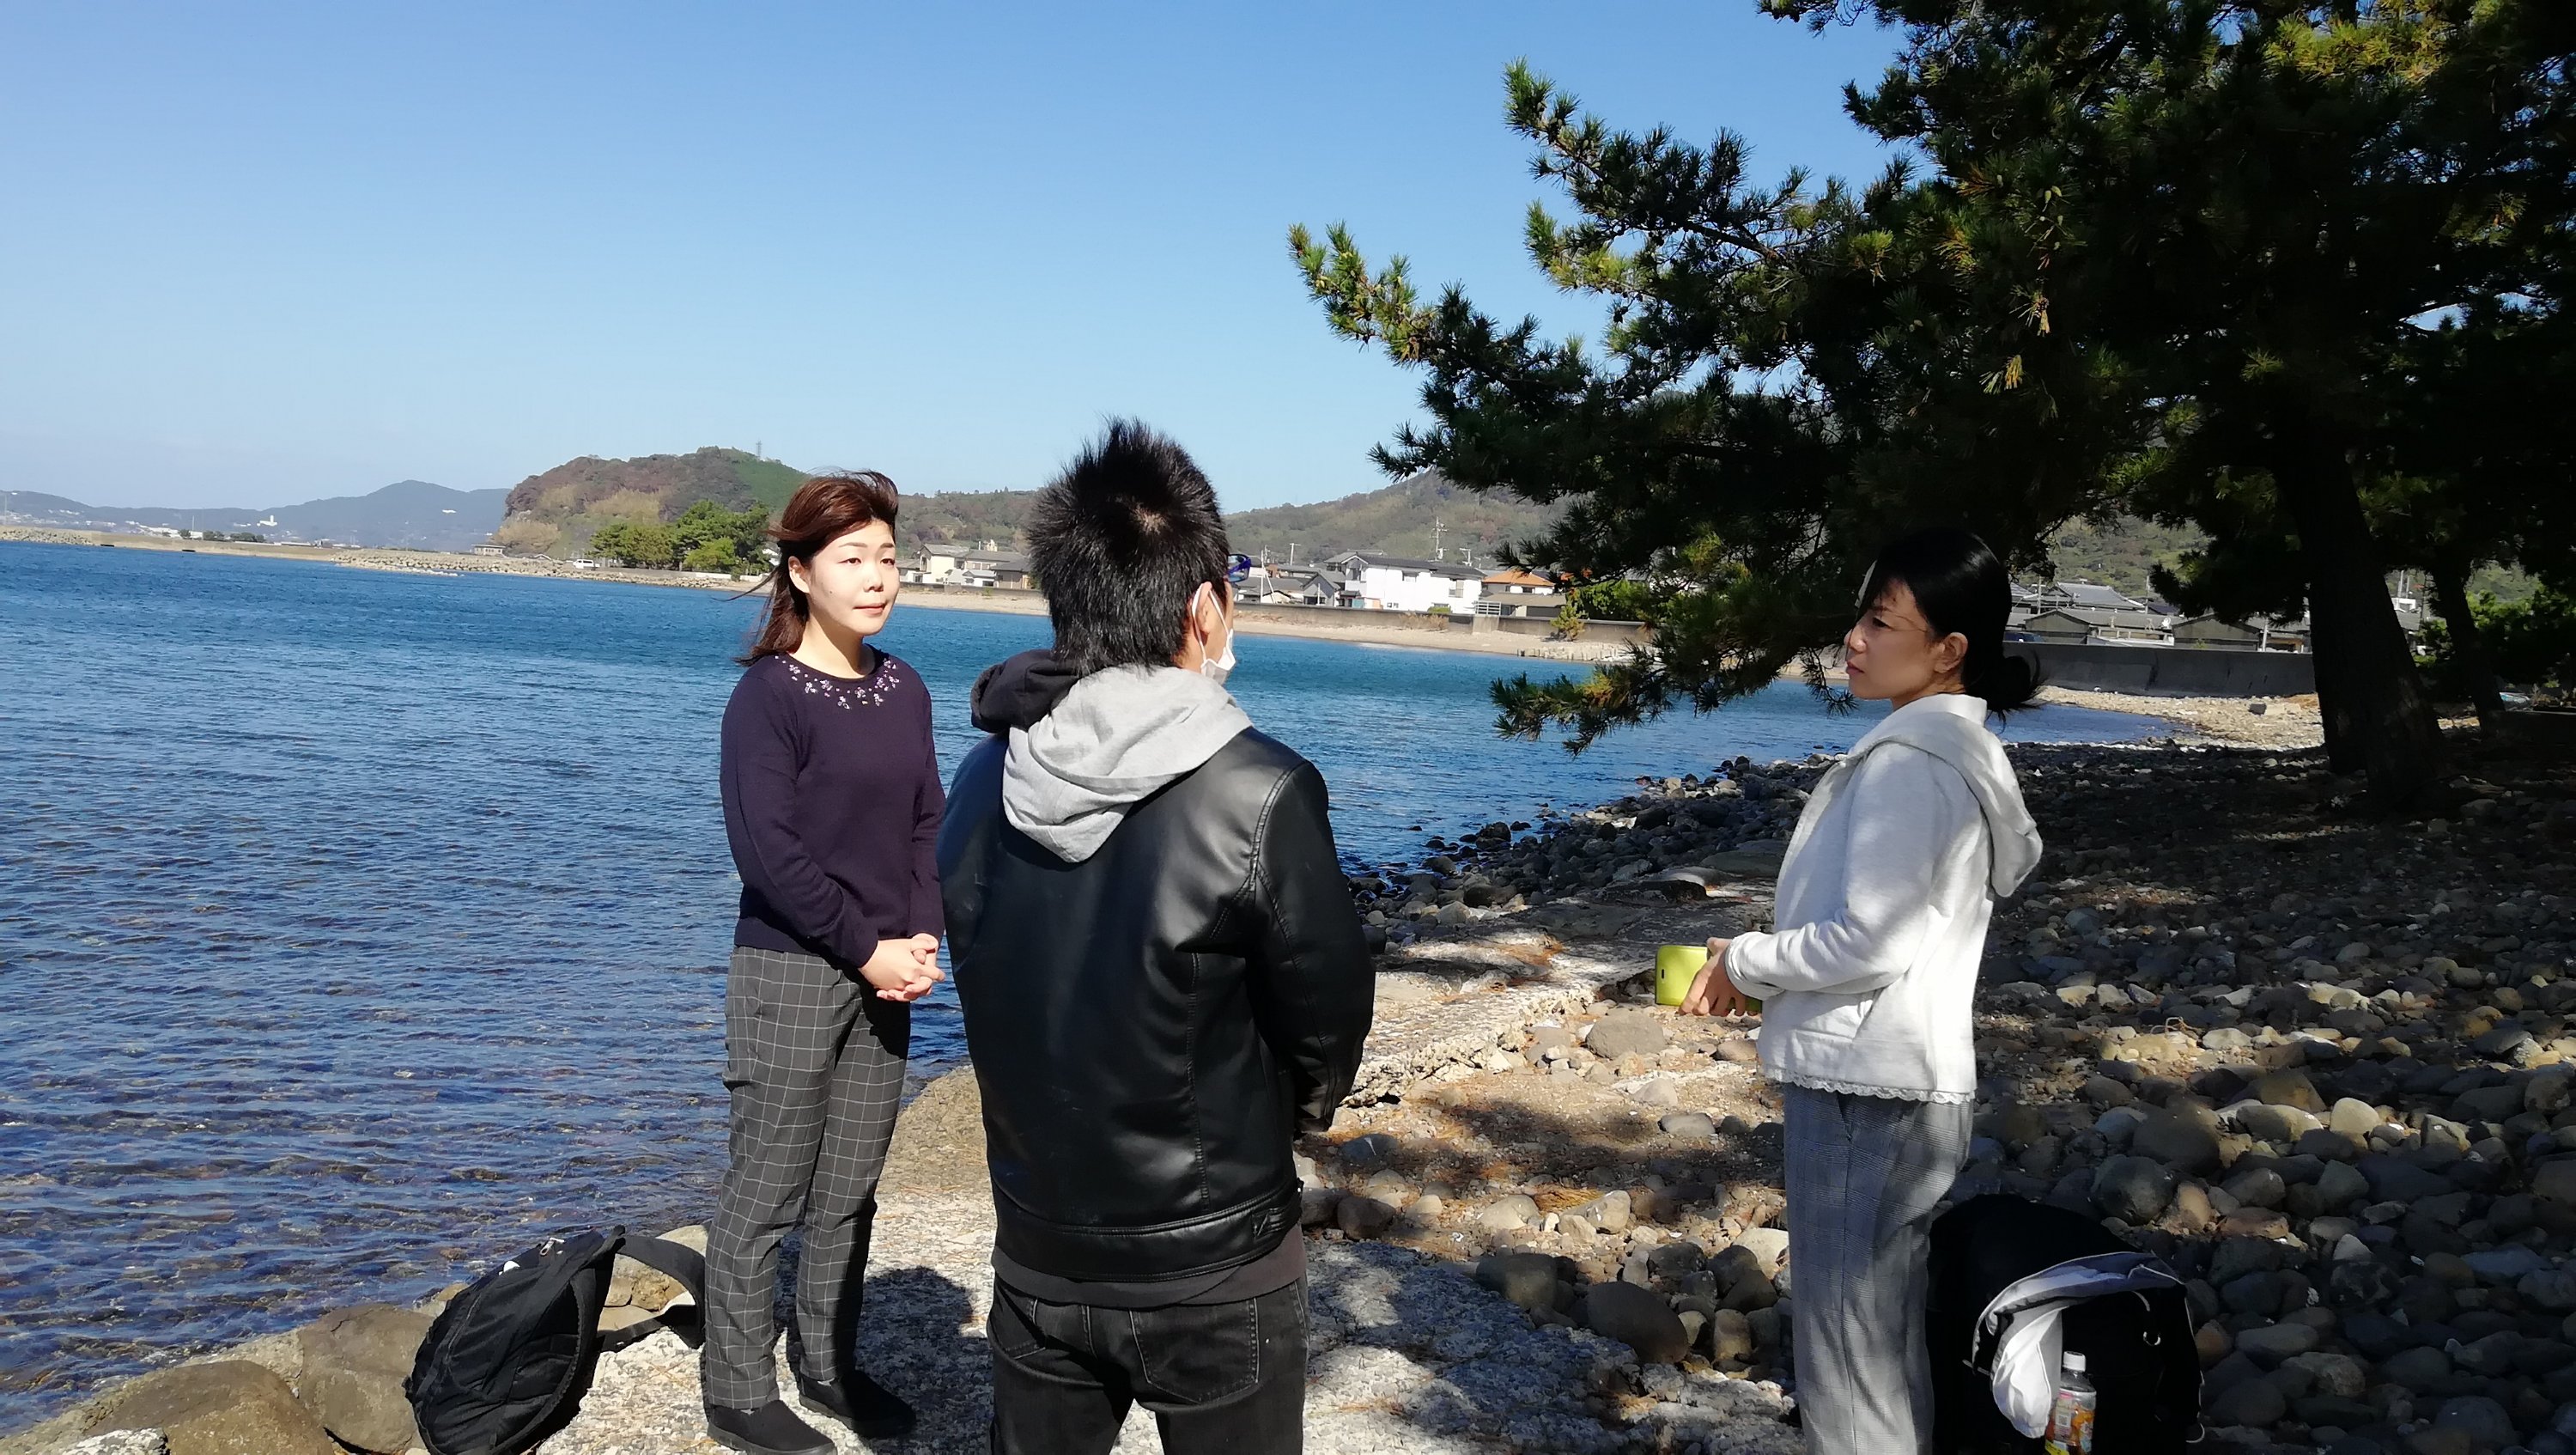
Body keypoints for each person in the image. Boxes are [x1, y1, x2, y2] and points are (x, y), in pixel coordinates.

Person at [937, 419, 1375, 1455]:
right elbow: (1325, 1019)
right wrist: (1284, 1118)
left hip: (1039, 1236)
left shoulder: (984, 776)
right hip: (1215, 1255)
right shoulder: (1259, 790)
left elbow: (991, 971)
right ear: (1205, 608)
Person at [1677, 527, 2044, 1455]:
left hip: (1864, 1085)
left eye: (1882, 622)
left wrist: (1747, 962)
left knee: (1846, 1349)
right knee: (1879, 1338)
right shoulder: (1962, 751)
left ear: (1948, 650)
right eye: (1861, 615)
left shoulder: (1910, 762)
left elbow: (1871, 939)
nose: (1854, 638)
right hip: (1911, 1081)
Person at [704, 472, 945, 1455]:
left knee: (849, 1189)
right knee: (766, 1188)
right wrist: (867, 947)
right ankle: (736, 1389)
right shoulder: (767, 697)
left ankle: (828, 1363)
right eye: (853, 558)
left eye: (887, 556)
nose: (877, 575)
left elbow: (928, 821)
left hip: (888, 971)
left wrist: (921, 935)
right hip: (792, 969)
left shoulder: (904, 687)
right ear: (802, 572)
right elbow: (768, 853)